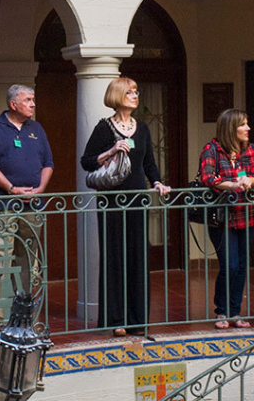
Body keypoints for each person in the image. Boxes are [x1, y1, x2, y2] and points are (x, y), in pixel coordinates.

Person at [80, 78, 171, 337]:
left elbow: (149, 163)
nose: (135, 96)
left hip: (137, 200)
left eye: (136, 92)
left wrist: (157, 183)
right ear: (118, 96)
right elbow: (86, 161)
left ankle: (137, 318)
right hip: (111, 201)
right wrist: (110, 151)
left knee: (137, 256)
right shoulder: (104, 128)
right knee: (114, 256)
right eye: (130, 92)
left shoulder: (141, 128)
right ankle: (115, 319)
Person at [0, 84, 54, 295]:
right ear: (13, 104)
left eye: (33, 99)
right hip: (3, 202)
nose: (33, 104)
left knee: (27, 255)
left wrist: (40, 189)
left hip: (33, 203)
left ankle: (22, 310)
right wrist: (11, 188)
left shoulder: (36, 128)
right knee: (1, 255)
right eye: (28, 100)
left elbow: (48, 163)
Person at [198, 108, 254, 330]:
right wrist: (233, 184)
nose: (248, 128)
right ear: (231, 128)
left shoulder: (251, 149)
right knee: (230, 264)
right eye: (243, 124)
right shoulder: (212, 150)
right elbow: (209, 178)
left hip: (247, 214)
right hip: (223, 217)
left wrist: (248, 182)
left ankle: (235, 312)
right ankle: (221, 310)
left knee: (242, 264)